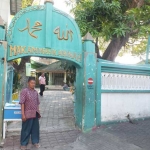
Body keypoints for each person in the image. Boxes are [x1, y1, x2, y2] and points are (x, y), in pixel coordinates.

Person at [19, 77, 41, 150]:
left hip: (35, 113)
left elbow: (37, 103)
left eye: (34, 83)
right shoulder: (24, 91)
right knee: (26, 129)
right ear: (28, 83)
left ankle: (35, 141)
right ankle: (23, 143)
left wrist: (39, 112)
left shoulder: (35, 92)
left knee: (35, 129)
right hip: (27, 114)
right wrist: (23, 114)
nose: (33, 84)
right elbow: (22, 103)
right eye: (31, 83)